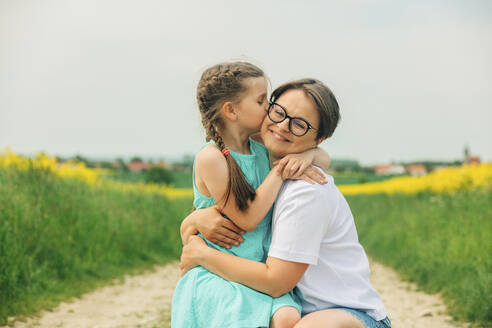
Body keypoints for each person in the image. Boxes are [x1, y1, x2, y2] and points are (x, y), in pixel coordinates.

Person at [180, 78, 391, 328]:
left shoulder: (306, 190)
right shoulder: (260, 168)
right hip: (292, 308)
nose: (282, 126)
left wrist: (203, 254)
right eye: (278, 112)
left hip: (346, 315)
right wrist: (192, 221)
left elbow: (276, 282)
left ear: (319, 138)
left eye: (299, 124)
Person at [171, 62, 332, 328]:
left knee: (289, 318)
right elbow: (248, 218)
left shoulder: (258, 145)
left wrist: (308, 154)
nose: (269, 107)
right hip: (219, 272)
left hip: (255, 271)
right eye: (261, 100)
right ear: (231, 110)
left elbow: (323, 158)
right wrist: (280, 171)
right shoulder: (211, 158)